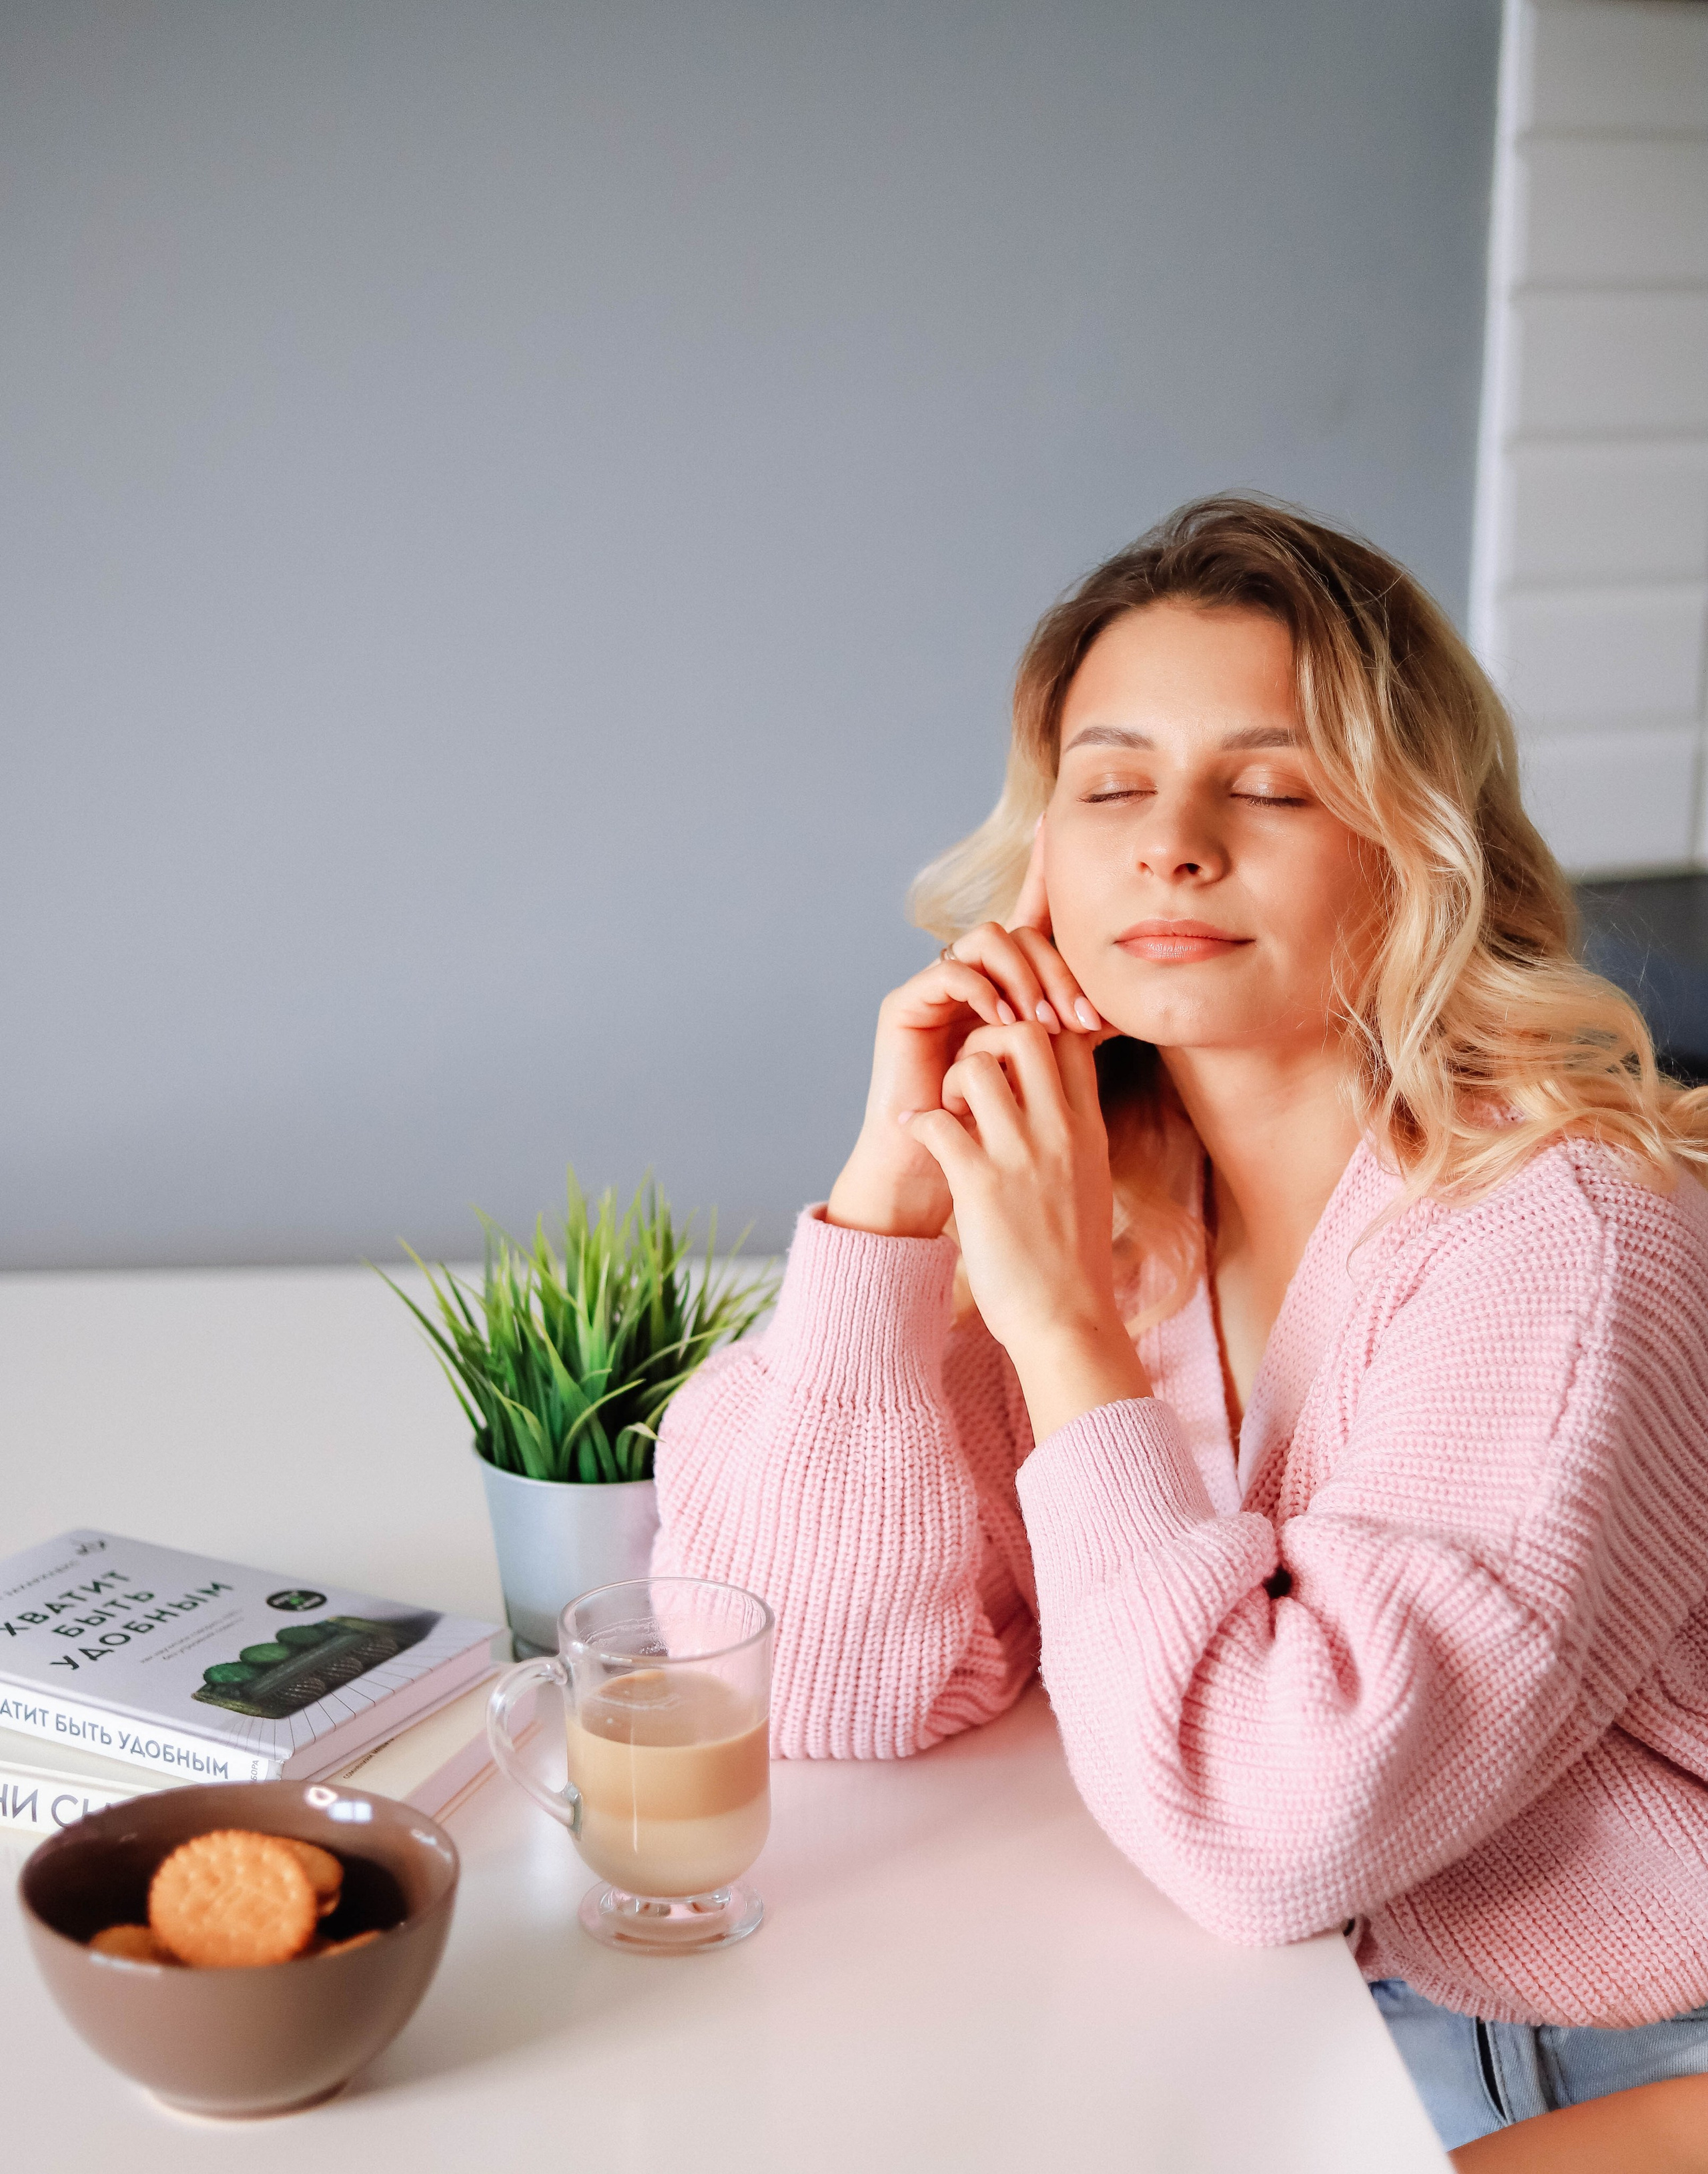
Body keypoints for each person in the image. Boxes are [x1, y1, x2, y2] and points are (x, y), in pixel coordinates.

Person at [651, 495, 1708, 2157]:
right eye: (1112, 783)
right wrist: (888, 1212)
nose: (1174, 842)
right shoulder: (1091, 1180)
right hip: (1251, 1988)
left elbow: (1271, 1825)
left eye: (1270, 786)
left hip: (1590, 2045)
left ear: (1416, 850)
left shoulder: (1555, 1235)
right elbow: (823, 1681)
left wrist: (1059, 1332)